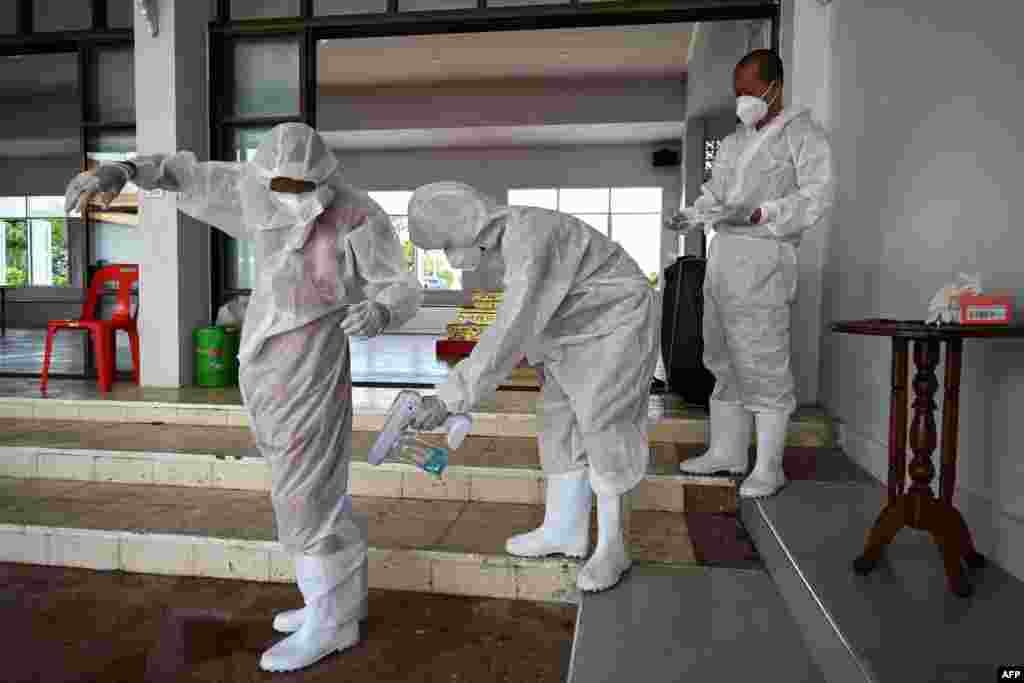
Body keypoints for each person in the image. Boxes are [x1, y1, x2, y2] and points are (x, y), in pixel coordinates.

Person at [63, 123, 423, 672]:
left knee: (305, 491)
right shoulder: (252, 188)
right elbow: (185, 173)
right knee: (300, 483)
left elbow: (398, 282)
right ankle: (329, 602)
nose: (291, 197)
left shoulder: (356, 214)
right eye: (281, 185)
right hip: (263, 357)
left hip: (313, 356)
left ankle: (332, 621)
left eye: (303, 186)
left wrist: (382, 308)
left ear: (324, 177)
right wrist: (123, 170)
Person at [405, 181, 660, 593]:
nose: (450, 256)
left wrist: (450, 398)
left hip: (616, 324)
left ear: (466, 225)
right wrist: (541, 359)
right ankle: (564, 530)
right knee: (557, 424)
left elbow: (513, 324)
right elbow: (535, 312)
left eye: (447, 244)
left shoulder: (530, 238)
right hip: (571, 330)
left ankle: (613, 547)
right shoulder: (502, 244)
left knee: (603, 425)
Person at [667, 49, 836, 498]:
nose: (741, 98)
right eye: (737, 90)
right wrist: (691, 215)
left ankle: (768, 467)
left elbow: (816, 196)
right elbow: (714, 195)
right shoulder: (733, 142)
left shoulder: (804, 135)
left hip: (764, 255)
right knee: (721, 356)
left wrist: (765, 212)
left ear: (774, 86)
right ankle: (727, 451)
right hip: (724, 256)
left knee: (762, 358)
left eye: (749, 89)